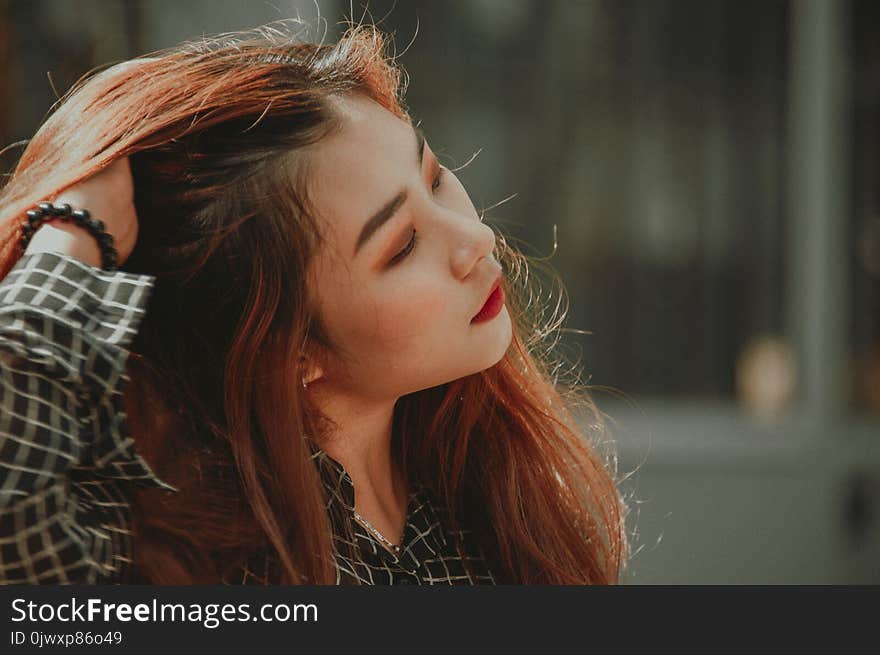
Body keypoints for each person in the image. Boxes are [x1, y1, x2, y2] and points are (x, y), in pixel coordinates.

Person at [0, 21, 628, 585]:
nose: (475, 239)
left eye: (435, 178)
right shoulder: (186, 572)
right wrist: (70, 229)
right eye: (402, 245)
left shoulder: (483, 487)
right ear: (288, 346)